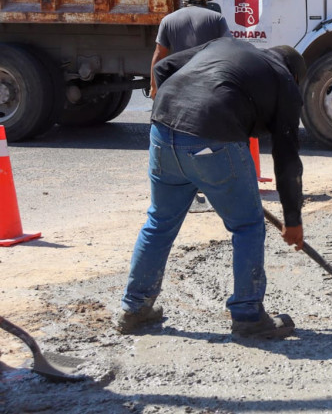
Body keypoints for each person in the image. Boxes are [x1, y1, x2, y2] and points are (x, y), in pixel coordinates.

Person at [115, 37, 307, 339]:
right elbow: (287, 158)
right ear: (295, 75)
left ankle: (134, 308)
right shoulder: (284, 80)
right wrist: (293, 220)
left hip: (163, 130)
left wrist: (183, 129)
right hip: (213, 139)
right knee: (247, 226)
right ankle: (248, 316)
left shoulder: (224, 46)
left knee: (160, 221)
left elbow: (163, 67)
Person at [149, 0, 231, 97]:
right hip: (208, 84)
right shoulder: (216, 18)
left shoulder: (167, 20)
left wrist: (153, 86)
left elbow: (159, 55)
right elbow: (228, 50)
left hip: (178, 83)